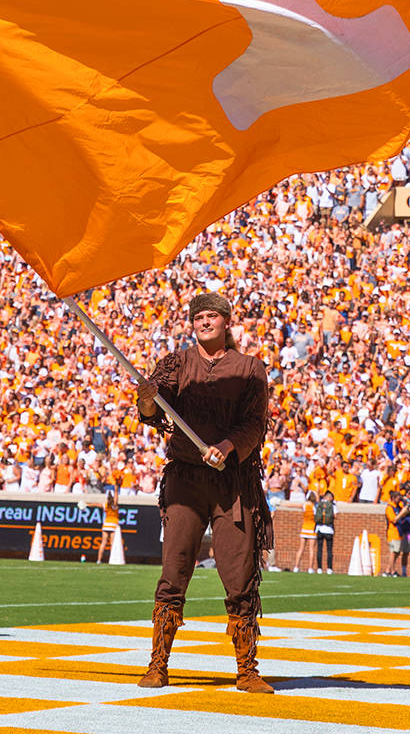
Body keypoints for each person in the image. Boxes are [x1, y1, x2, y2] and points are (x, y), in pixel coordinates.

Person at [133, 292, 274, 694]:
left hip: (233, 483)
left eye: (212, 316)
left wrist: (228, 447)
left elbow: (255, 422)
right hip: (185, 481)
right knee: (174, 570)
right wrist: (145, 400)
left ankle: (247, 669)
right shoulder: (176, 364)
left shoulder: (249, 368)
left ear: (226, 322)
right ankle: (158, 664)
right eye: (199, 317)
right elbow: (153, 412)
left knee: (239, 574)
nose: (205, 322)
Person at [313, 489, 337, 573]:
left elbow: (315, 514)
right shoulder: (333, 505)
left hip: (319, 529)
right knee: (329, 550)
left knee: (319, 549)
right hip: (329, 529)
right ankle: (329, 568)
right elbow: (335, 515)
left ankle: (319, 568)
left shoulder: (318, 504)